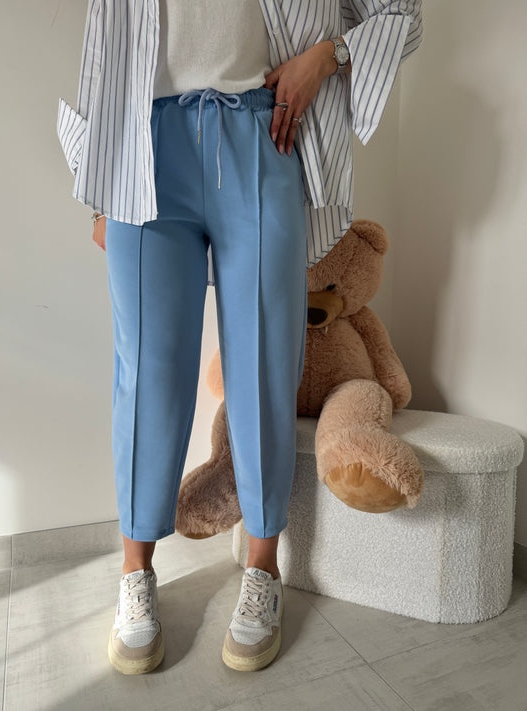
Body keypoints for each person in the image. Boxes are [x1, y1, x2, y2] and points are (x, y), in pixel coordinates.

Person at [57, 0, 422, 675]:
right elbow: (105, 37)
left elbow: (401, 13)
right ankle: (135, 575)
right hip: (142, 142)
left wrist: (329, 56)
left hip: (260, 131)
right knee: (148, 369)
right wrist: (98, 182)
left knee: (264, 360)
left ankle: (262, 570)